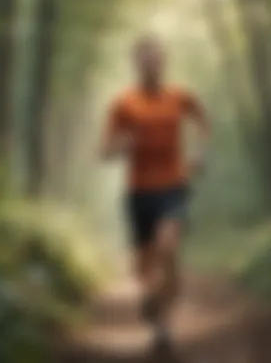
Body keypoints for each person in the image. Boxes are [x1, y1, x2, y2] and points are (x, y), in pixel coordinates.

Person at [100, 35, 210, 344]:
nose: (151, 63)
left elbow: (203, 122)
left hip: (174, 186)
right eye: (144, 58)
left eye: (156, 57)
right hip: (138, 192)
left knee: (168, 247)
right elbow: (105, 151)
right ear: (135, 63)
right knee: (145, 267)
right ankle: (157, 312)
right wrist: (122, 145)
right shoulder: (123, 103)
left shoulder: (180, 96)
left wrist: (201, 154)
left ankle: (162, 317)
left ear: (164, 61)